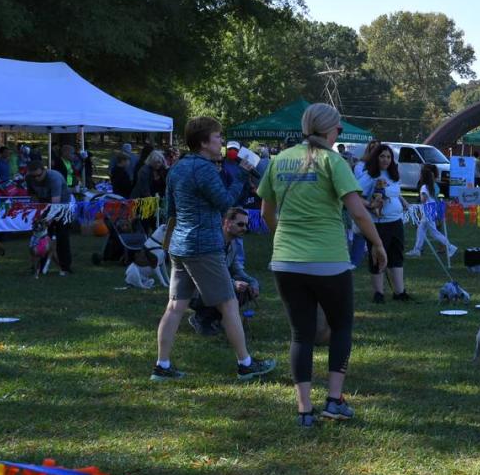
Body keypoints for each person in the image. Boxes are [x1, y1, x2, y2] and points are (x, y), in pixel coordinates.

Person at [259, 103, 387, 427]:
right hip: (329, 260)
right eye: (339, 130)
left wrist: (286, 238)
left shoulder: (279, 160)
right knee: (341, 326)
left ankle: (304, 411)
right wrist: (377, 243)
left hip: (286, 261)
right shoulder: (333, 161)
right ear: (331, 131)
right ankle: (333, 400)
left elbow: (265, 213)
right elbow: (358, 212)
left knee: (300, 334)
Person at [151, 116, 275, 382]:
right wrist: (241, 174)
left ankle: (162, 366)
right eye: (218, 136)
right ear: (204, 142)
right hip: (204, 246)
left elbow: (170, 209)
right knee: (229, 304)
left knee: (174, 306)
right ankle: (245, 364)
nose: (221, 141)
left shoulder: (177, 168)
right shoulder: (204, 169)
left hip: (180, 246)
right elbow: (225, 203)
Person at [187, 207, 261, 336]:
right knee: (233, 289)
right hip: (195, 291)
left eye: (246, 225)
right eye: (240, 224)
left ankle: (214, 319)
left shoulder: (231, 245)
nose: (244, 228)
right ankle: (201, 318)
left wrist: (253, 283)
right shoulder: (212, 243)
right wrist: (233, 284)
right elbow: (210, 276)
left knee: (249, 288)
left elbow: (237, 270)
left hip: (215, 286)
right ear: (226, 223)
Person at [359, 144, 411, 303]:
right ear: (376, 157)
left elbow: (396, 193)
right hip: (377, 223)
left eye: (388, 157)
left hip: (395, 221)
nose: (386, 160)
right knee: (377, 257)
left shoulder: (393, 174)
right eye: (382, 156)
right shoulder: (368, 176)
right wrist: (369, 205)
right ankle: (379, 293)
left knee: (397, 256)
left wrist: (402, 201)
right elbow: (356, 196)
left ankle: (399, 292)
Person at [25, 159, 73, 275]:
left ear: (44, 170)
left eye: (38, 175)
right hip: (45, 206)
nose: (35, 179)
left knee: (62, 236)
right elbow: (33, 196)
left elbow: (55, 203)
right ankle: (40, 267)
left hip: (62, 207)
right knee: (42, 238)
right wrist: (37, 213)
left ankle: (65, 267)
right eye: (33, 176)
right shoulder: (29, 177)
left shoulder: (54, 178)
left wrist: (48, 221)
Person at [407, 166, 456, 258]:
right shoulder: (430, 186)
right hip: (431, 208)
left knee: (433, 232)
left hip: (428, 209)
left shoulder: (424, 187)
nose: (419, 176)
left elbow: (423, 199)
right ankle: (417, 249)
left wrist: (418, 201)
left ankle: (450, 246)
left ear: (423, 176)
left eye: (420, 175)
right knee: (421, 229)